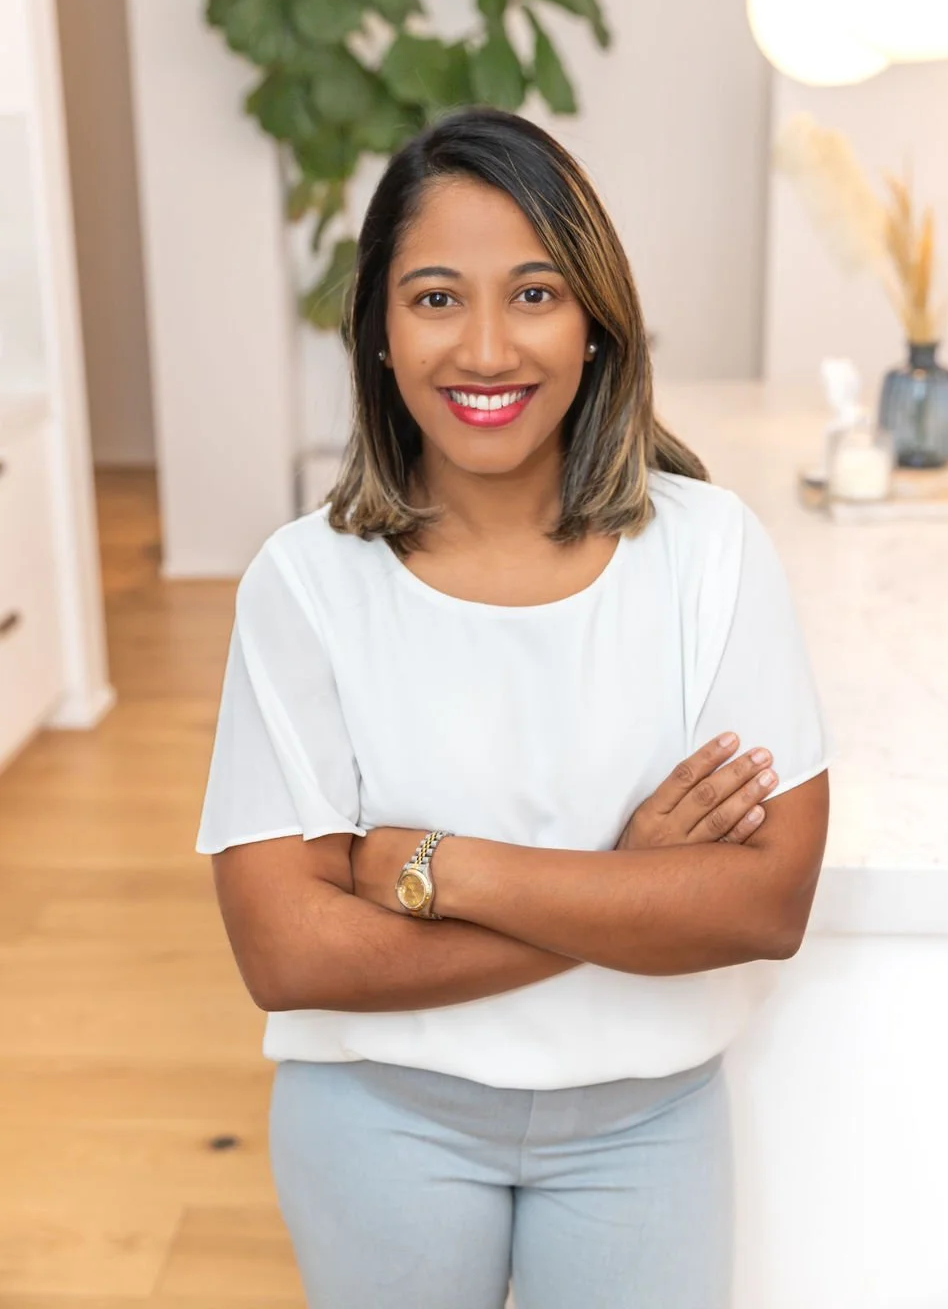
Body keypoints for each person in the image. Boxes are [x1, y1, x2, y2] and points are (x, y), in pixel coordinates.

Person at [195, 106, 831, 1309]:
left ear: (596, 321)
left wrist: (428, 867)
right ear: (379, 332)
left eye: (534, 294)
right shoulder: (305, 582)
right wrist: (630, 886)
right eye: (435, 298)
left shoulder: (710, 553)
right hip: (377, 1121)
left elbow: (762, 901)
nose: (485, 349)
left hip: (646, 1130)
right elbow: (284, 949)